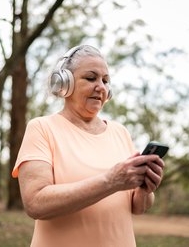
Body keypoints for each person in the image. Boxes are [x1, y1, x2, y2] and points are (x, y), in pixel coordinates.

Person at [12, 45, 165, 247]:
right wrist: (110, 181)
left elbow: (137, 207)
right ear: (63, 83)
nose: (101, 86)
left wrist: (145, 189)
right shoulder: (42, 128)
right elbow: (36, 203)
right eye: (91, 78)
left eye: (105, 80)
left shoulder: (120, 132)